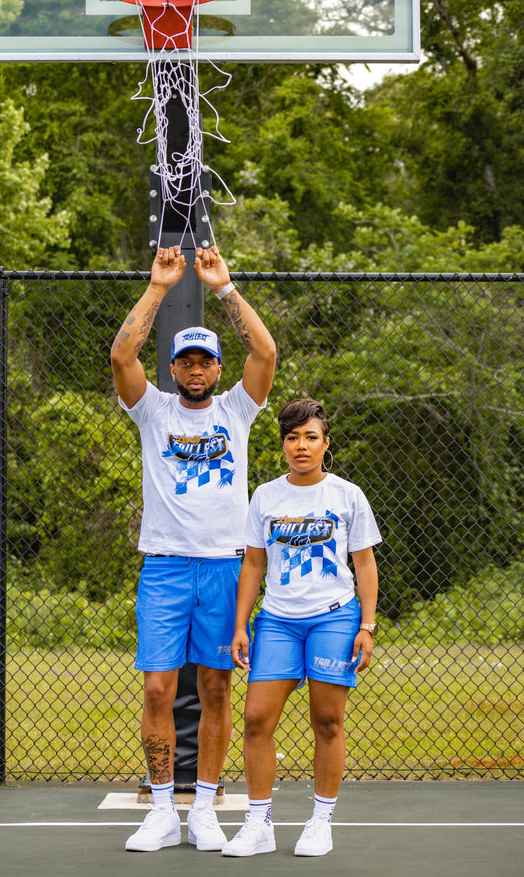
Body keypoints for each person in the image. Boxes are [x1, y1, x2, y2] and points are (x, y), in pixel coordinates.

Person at [111, 243, 276, 853]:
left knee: (214, 689)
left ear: (216, 368)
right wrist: (158, 287)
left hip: (224, 570)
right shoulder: (152, 411)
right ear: (175, 369)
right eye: (188, 362)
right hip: (165, 568)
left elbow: (266, 352)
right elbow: (121, 353)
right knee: (157, 689)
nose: (198, 370)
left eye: (207, 361)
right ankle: (161, 809)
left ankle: (205, 807)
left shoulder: (237, 410)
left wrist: (226, 287)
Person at [222, 397, 381, 858]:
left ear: (325, 444)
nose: (301, 446)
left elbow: (365, 564)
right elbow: (253, 564)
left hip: (335, 617)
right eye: (292, 437)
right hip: (277, 621)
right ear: (283, 446)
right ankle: (258, 823)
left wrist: (366, 626)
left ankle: (320, 821)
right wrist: (240, 626)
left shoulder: (347, 495)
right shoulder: (266, 496)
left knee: (327, 720)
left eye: (310, 437)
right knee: (256, 719)